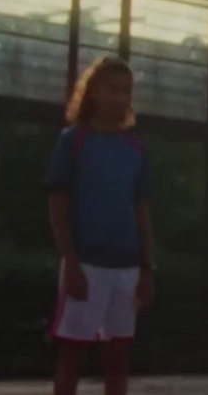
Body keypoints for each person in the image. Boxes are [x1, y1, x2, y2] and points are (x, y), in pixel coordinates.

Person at [45, 56, 155, 395]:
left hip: (127, 267)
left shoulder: (136, 147)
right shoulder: (73, 141)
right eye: (112, 90)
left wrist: (148, 268)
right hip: (86, 265)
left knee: (118, 356)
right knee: (73, 355)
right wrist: (71, 263)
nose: (120, 98)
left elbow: (142, 210)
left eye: (126, 91)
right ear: (93, 92)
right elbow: (57, 206)